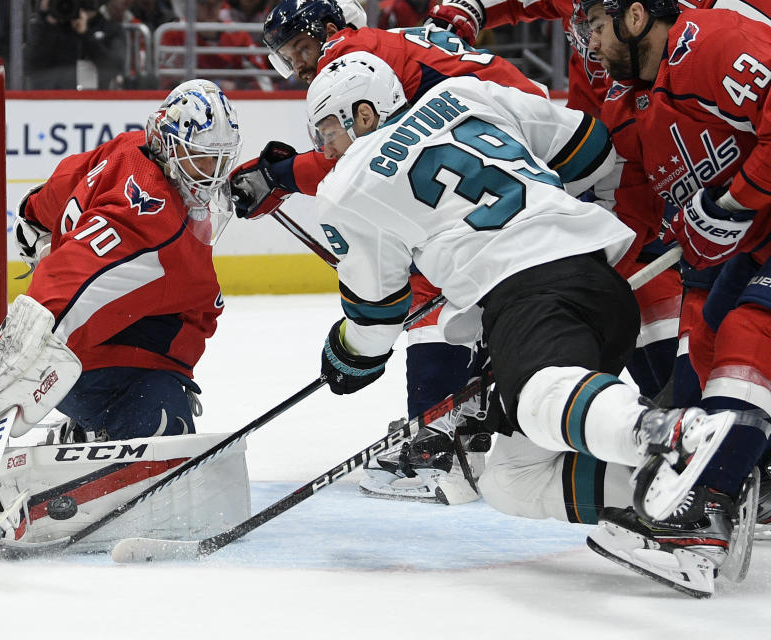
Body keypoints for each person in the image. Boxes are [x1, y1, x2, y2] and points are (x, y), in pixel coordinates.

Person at [306, 50, 747, 594]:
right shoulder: (461, 95)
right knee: (512, 478)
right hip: (599, 282)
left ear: (365, 113)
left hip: (529, 294)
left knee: (542, 401)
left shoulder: (345, 187)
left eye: (326, 127)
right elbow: (589, 147)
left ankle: (669, 435)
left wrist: (346, 355)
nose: (322, 147)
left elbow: (376, 318)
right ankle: (689, 509)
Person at [230, 0, 542, 504]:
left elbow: (361, 155)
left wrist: (278, 176)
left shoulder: (352, 57)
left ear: (329, 30)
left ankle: (433, 449)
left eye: (302, 47)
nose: (300, 65)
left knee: (426, 283)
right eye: (287, 56)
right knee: (467, 282)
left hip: (511, 139)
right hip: (521, 145)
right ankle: (476, 423)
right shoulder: (385, 44)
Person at [576, 0, 771, 595]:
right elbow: (637, 206)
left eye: (598, 27)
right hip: (745, 246)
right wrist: (595, 277)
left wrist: (732, 201)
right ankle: (739, 485)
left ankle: (703, 511)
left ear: (637, 17)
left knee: (750, 332)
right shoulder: (624, 102)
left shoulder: (711, 43)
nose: (591, 44)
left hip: (754, 227)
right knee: (697, 365)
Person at [0, 78, 241, 446]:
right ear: (167, 143)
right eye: (201, 157)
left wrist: (35, 220)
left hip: (90, 355)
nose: (212, 173)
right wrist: (23, 351)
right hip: (105, 367)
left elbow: (60, 187)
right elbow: (76, 275)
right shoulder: (154, 220)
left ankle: (88, 428)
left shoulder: (128, 149)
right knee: (165, 438)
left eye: (221, 159)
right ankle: (103, 433)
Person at [24, 0, 125, 89]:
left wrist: (86, 34)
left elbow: (114, 66)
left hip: (97, 100)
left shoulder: (109, 28)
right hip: (54, 98)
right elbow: (31, 66)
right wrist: (49, 20)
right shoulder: (49, 27)